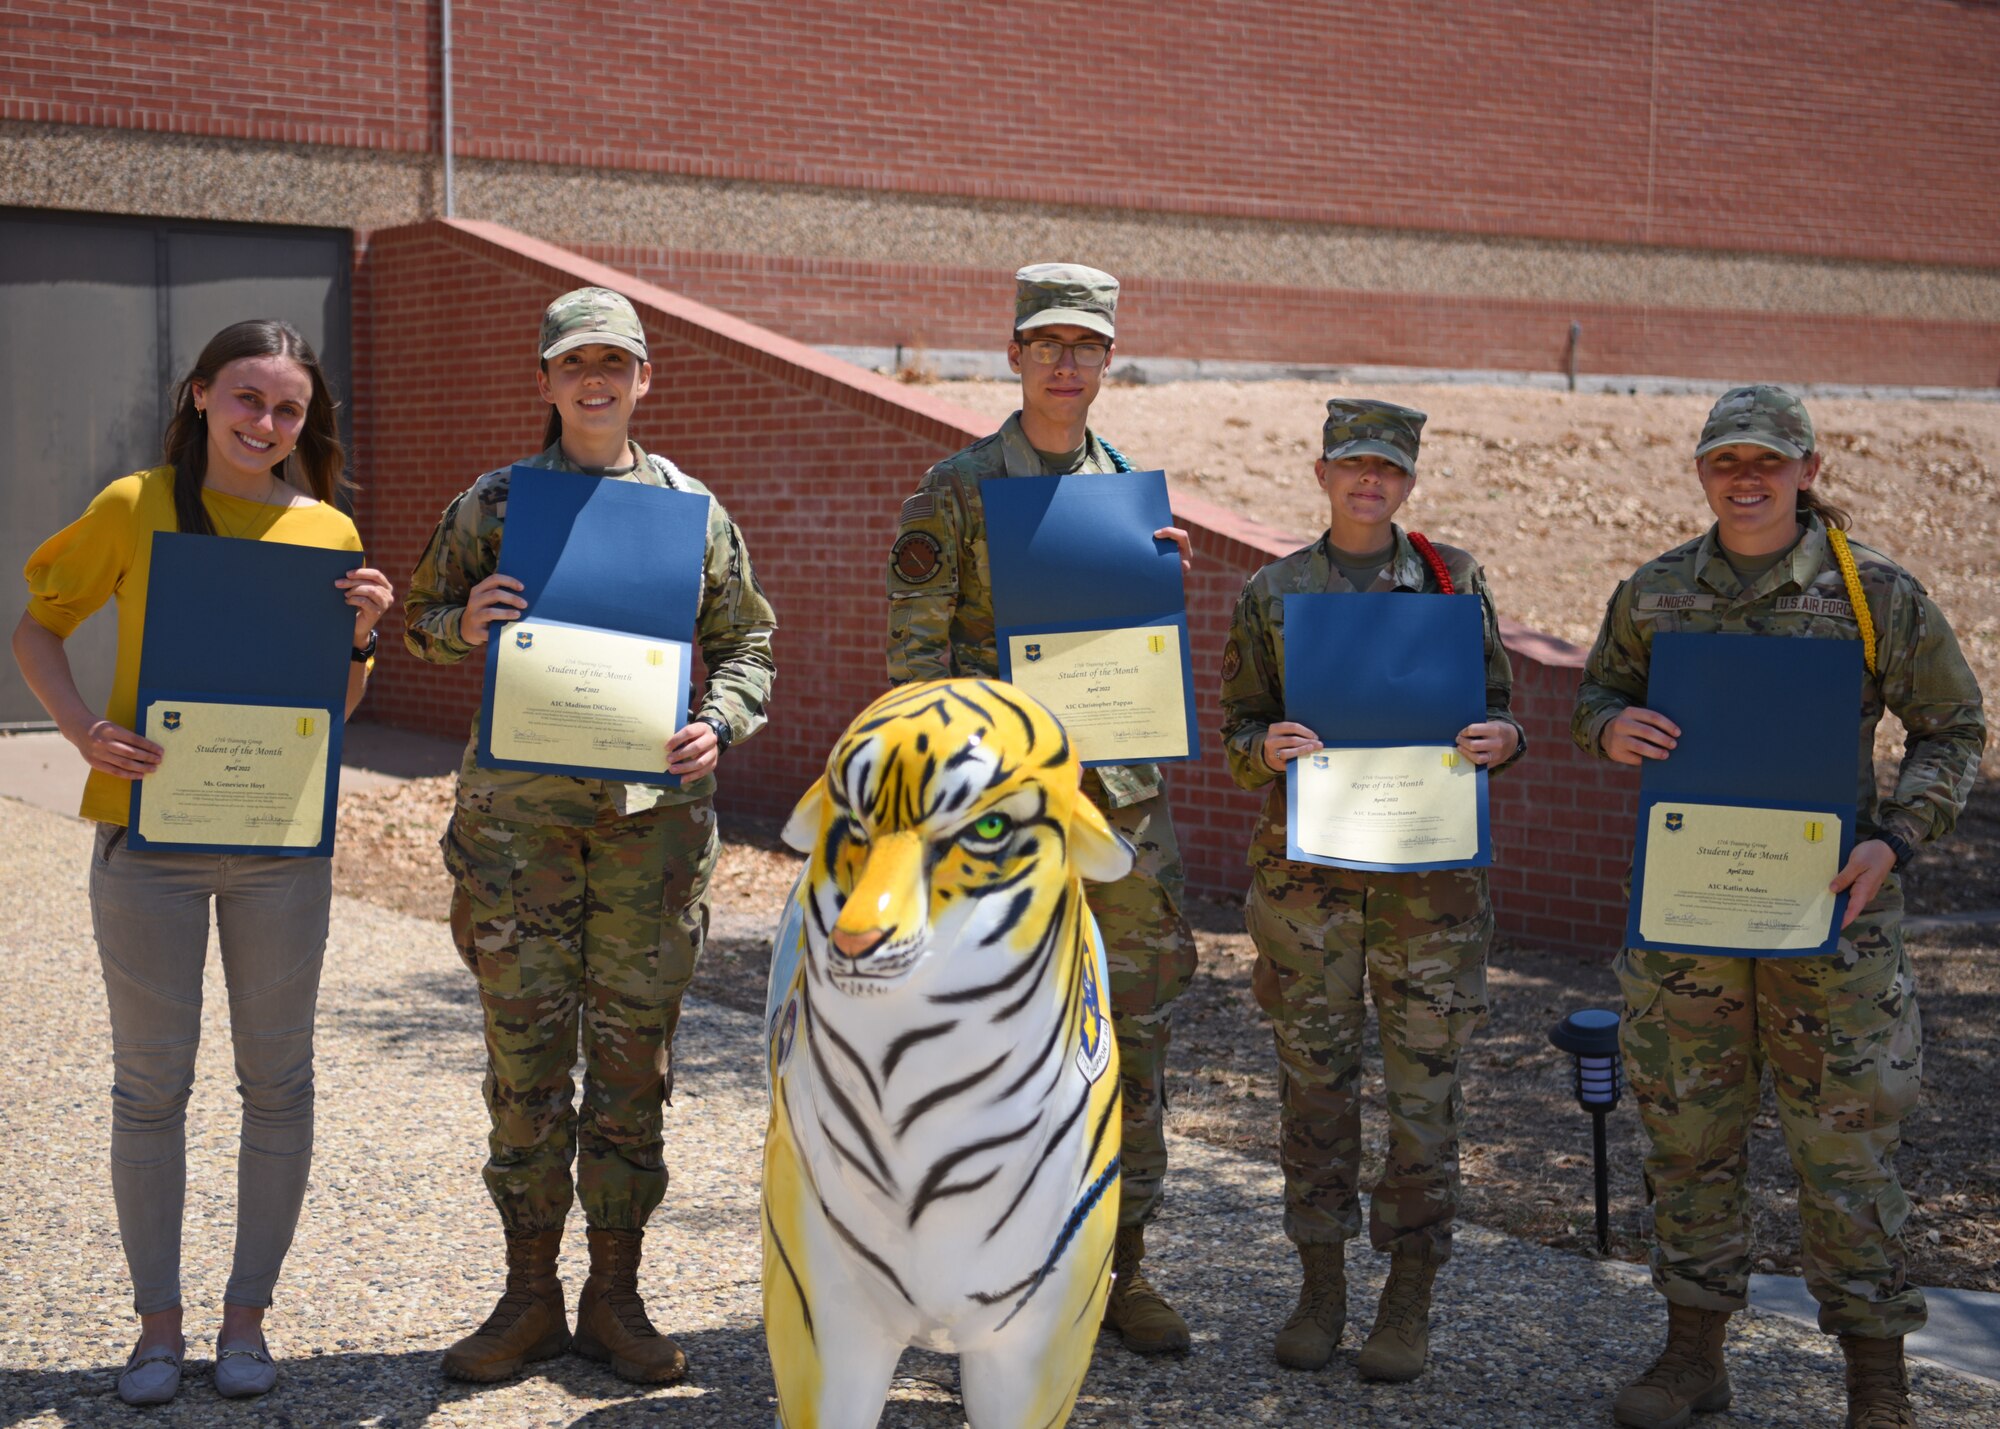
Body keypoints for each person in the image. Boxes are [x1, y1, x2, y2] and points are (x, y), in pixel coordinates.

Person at [1573, 385, 1985, 1429]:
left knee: (1844, 1147)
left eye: (1767, 459)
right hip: (1689, 923)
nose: (1744, 477)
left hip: (1830, 918)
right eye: (1724, 461)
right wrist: (1609, 731)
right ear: (1701, 472)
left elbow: (1951, 728)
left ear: (1810, 468)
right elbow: (1595, 696)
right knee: (1686, 1137)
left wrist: (1893, 839)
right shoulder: (1656, 589)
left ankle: (1874, 1381)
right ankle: (1691, 1356)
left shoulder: (1872, 593)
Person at [12, 320, 391, 1405]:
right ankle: (155, 1333)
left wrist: (359, 640)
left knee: (278, 1086)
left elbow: (337, 710)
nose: (266, 424)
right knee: (150, 1088)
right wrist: (82, 727)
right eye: (246, 399)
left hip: (279, 850)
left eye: (288, 410)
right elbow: (38, 630)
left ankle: (246, 1326)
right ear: (197, 396)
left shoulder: (328, 529)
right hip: (152, 848)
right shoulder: (137, 506)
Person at [404, 286, 776, 1387]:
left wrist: (718, 720)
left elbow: (748, 644)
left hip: (647, 841)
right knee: (524, 1070)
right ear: (546, 382)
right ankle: (527, 1297)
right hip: (518, 835)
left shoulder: (690, 515)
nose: (596, 381)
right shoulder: (496, 503)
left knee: (631, 1067)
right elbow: (418, 618)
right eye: (575, 365)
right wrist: (458, 622)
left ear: (644, 379)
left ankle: (614, 1295)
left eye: (616, 363)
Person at [883, 263, 1202, 1354]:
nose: (1066, 363)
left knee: (1130, 1042)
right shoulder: (960, 487)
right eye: (1046, 342)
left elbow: (1137, 667)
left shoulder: (1133, 498)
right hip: (1003, 819)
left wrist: (1156, 591)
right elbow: (914, 662)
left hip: (1121, 818)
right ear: (1013, 355)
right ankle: (992, 1284)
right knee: (992, 1045)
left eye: (1086, 345)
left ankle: (1121, 1272)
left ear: (1108, 361)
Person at [1218, 399, 1522, 1380]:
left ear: (1407, 481)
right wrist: (1259, 749)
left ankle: (1407, 1295)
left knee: (1424, 1095)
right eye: (1351, 464)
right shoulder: (1274, 592)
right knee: (1313, 1088)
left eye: (1386, 469)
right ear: (1320, 473)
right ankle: (1319, 1285)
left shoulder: (1449, 579)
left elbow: (1500, 713)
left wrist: (1500, 742)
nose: (1368, 482)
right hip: (1307, 893)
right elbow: (1234, 732)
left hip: (1426, 897)